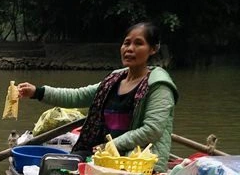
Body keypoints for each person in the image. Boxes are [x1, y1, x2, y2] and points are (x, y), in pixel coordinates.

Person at [17, 21, 178, 164]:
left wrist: (110, 145)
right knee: (54, 167)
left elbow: (151, 131)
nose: (129, 49)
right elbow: (77, 96)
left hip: (137, 160)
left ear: (153, 49)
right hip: (101, 152)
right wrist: (37, 92)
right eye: (126, 43)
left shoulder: (159, 86)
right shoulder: (114, 80)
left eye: (138, 44)